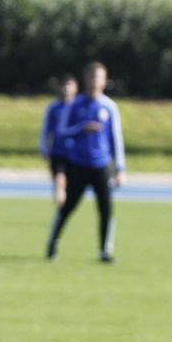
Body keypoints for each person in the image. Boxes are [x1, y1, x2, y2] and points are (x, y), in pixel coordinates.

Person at [45, 61, 125, 263]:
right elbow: (61, 132)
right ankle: (53, 243)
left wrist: (120, 168)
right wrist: (81, 128)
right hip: (78, 164)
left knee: (106, 209)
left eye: (98, 77)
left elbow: (116, 139)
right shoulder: (75, 105)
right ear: (85, 79)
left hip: (101, 166)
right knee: (67, 207)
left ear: (104, 81)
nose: (94, 81)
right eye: (91, 77)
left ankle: (105, 251)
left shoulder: (109, 106)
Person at [38, 73, 78, 208]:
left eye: (69, 85)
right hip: (58, 152)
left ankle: (66, 208)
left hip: (75, 153)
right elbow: (45, 130)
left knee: (72, 185)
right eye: (64, 85)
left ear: (76, 88)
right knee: (60, 181)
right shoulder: (54, 107)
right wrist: (44, 147)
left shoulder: (79, 106)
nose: (66, 88)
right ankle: (61, 208)